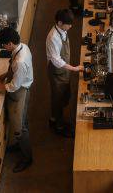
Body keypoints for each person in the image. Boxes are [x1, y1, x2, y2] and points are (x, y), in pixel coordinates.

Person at [0, 27, 33, 173]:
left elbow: (14, 85)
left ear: (10, 43)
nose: (3, 47)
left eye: (4, 45)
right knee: (21, 121)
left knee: (19, 127)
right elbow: (14, 71)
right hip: (20, 86)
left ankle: (27, 158)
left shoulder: (20, 61)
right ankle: (19, 145)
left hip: (19, 92)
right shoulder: (22, 47)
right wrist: (5, 74)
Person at [46, 8, 83, 137]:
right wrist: (74, 68)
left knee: (62, 95)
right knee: (58, 97)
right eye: (69, 24)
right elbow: (56, 60)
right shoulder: (53, 37)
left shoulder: (62, 30)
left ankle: (53, 119)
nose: (71, 26)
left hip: (63, 69)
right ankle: (59, 127)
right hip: (57, 71)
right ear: (60, 22)